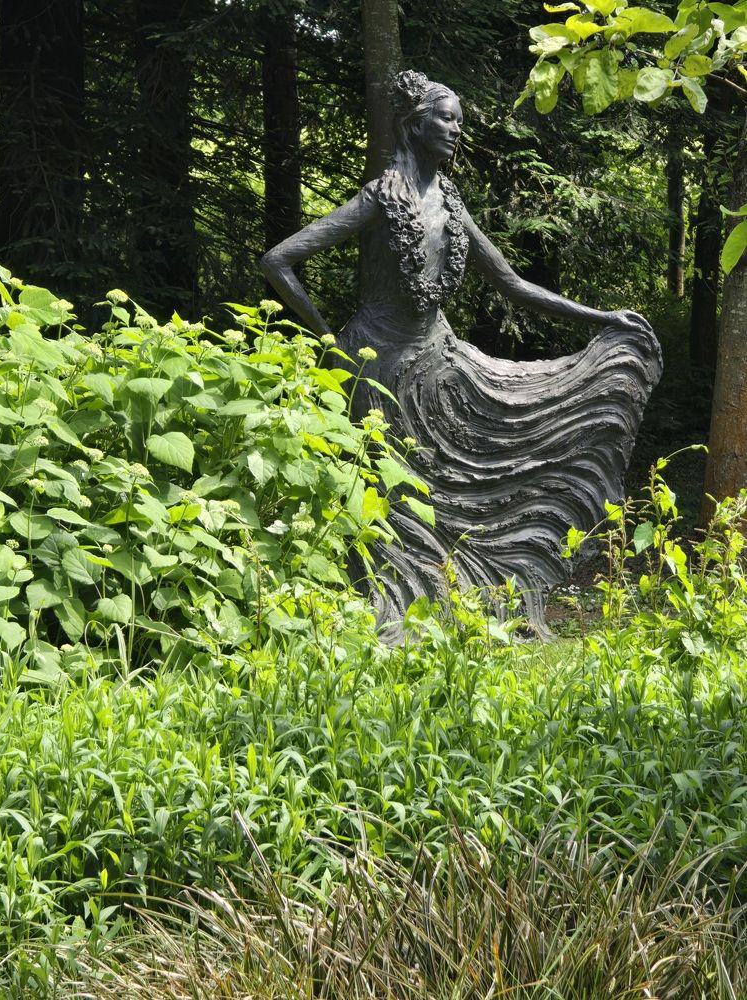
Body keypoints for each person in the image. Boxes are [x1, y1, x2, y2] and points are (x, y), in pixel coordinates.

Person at [261, 69, 662, 637]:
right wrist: (328, 338)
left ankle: (467, 600)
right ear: (415, 124)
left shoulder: (449, 201)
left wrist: (602, 319)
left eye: (459, 122)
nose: (456, 130)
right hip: (376, 373)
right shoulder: (380, 197)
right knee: (392, 499)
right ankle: (382, 613)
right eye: (446, 119)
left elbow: (512, 283)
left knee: (480, 467)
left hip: (439, 363)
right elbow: (278, 260)